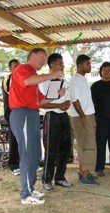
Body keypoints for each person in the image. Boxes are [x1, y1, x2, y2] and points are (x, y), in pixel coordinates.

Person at [9, 48, 64, 205]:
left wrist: (57, 94)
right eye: (42, 57)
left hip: (32, 114)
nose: (43, 60)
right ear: (32, 56)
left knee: (35, 153)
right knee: (27, 153)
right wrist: (52, 75)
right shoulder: (22, 69)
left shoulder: (34, 79)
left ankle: (31, 188)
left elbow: (41, 101)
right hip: (22, 113)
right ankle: (25, 194)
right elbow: (27, 81)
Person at [38, 53, 72, 191]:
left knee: (65, 148)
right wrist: (58, 105)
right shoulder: (43, 82)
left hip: (63, 116)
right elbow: (41, 104)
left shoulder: (65, 81)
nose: (62, 66)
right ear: (52, 65)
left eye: (63, 63)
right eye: (59, 63)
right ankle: (47, 179)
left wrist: (65, 105)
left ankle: (60, 178)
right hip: (51, 116)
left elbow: (68, 100)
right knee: (51, 149)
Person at [69, 54, 99, 186]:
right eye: (87, 64)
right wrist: (82, 116)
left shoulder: (83, 79)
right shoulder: (74, 79)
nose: (90, 66)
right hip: (81, 116)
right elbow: (74, 100)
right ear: (79, 65)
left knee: (88, 145)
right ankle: (86, 174)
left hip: (88, 115)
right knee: (86, 145)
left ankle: (84, 172)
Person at [2, 59, 20, 175]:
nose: (17, 69)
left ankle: (25, 162)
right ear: (10, 68)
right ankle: (13, 164)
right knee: (14, 139)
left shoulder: (22, 78)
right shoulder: (7, 79)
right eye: (14, 67)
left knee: (24, 140)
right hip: (12, 113)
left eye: (18, 66)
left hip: (23, 113)